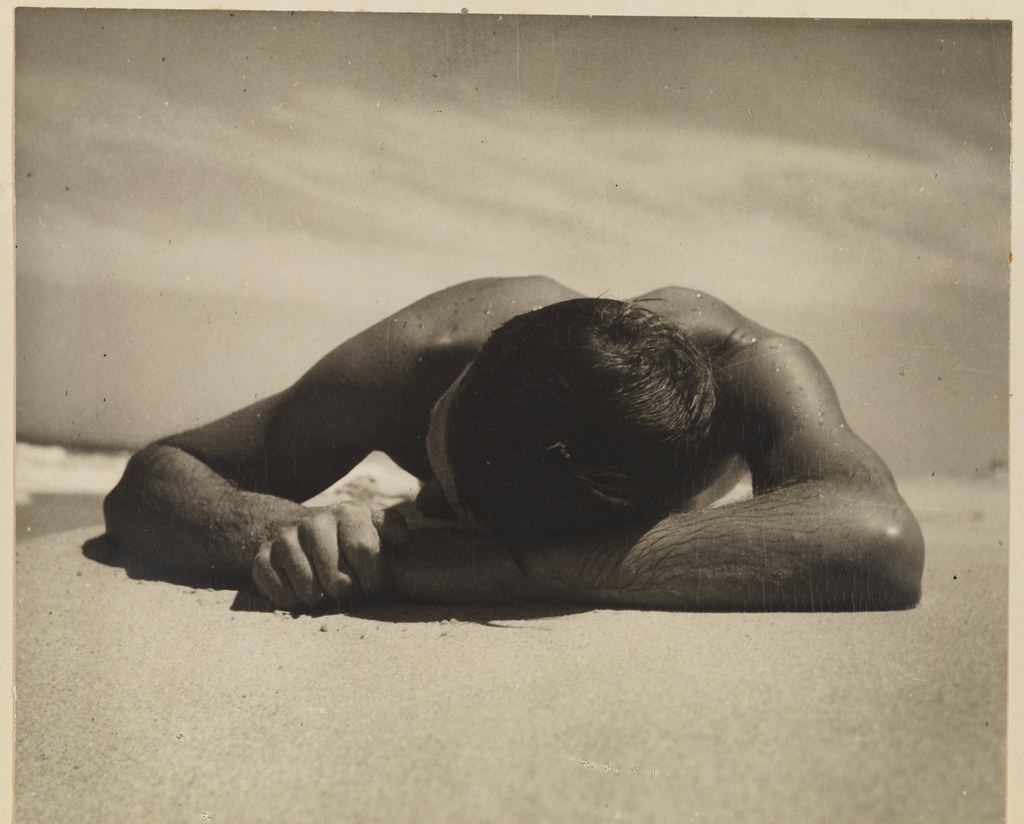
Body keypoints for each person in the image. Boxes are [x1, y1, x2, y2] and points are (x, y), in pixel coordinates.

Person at [103, 275, 924, 612]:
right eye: (436, 447)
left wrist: (522, 567)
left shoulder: (755, 367)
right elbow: (156, 475)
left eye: (456, 501)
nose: (430, 490)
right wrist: (274, 529)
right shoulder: (434, 353)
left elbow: (881, 538)